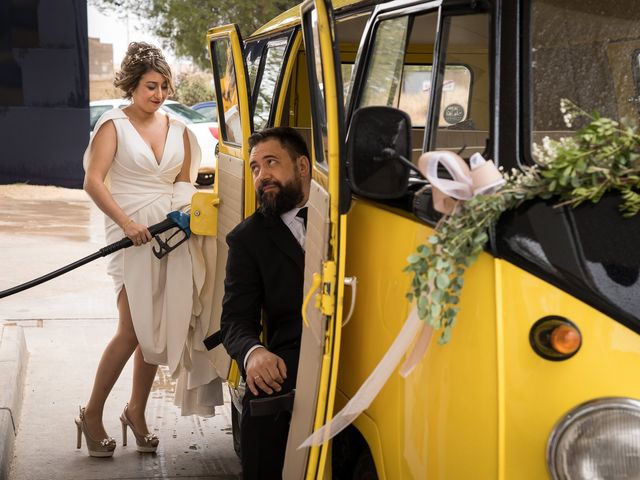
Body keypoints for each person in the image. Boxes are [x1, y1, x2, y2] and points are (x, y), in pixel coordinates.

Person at [78, 42, 224, 458]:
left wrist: (183, 214)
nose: (158, 94)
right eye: (150, 86)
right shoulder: (112, 125)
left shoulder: (177, 128)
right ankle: (91, 413)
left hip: (169, 236)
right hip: (130, 236)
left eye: (164, 86)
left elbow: (183, 183)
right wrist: (127, 223)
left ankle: (136, 412)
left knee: (156, 331)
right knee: (132, 330)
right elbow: (93, 181)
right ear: (132, 85)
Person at [221, 127, 311, 478]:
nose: (262, 176)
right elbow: (234, 323)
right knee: (260, 398)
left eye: (271, 162)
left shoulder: (345, 218)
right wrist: (254, 353)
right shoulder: (247, 239)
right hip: (292, 359)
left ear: (302, 166)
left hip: (361, 352)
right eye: (255, 168)